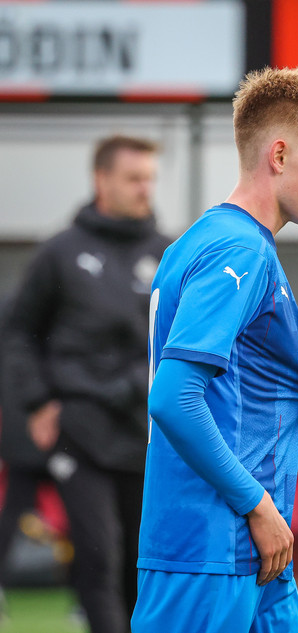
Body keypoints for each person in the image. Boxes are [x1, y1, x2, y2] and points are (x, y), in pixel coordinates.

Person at [130, 67, 298, 633]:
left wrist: (297, 400)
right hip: (213, 545)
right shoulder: (239, 249)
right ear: (278, 155)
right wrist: (256, 505)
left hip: (251, 549)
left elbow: (229, 383)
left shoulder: (212, 241)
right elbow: (174, 398)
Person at [3, 135, 171, 633]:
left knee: (140, 563)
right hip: (79, 429)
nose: (145, 189)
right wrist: (37, 401)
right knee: (99, 556)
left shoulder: (167, 253)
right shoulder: (60, 253)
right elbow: (18, 332)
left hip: (143, 430)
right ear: (102, 180)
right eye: (134, 178)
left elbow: (177, 340)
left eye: (150, 179)